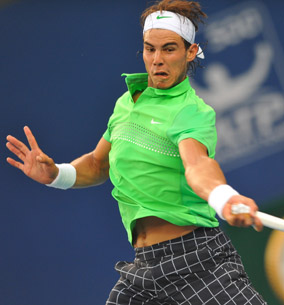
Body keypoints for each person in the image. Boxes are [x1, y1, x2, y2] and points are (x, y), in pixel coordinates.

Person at [6, 0, 267, 304]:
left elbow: (197, 165)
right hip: (143, 268)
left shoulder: (191, 111)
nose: (157, 59)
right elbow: (96, 163)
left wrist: (223, 198)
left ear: (190, 52)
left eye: (169, 49)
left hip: (198, 262)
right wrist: (56, 174)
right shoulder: (125, 105)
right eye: (149, 48)